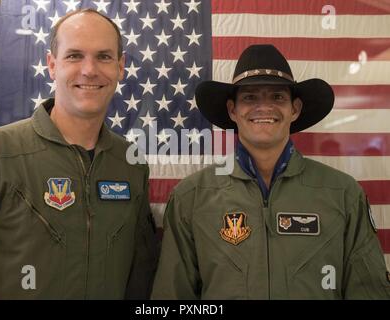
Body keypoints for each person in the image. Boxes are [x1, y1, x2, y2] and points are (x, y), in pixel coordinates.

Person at [151, 44, 390, 299]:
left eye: (277, 97)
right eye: (250, 97)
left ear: (294, 109)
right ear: (233, 110)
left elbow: (368, 292)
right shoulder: (192, 197)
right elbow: (172, 296)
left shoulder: (343, 194)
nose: (264, 107)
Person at [0, 9, 159, 299]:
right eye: (74, 56)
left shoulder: (131, 165)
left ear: (120, 67)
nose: (89, 70)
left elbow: (139, 279)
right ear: (52, 64)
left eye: (104, 56)